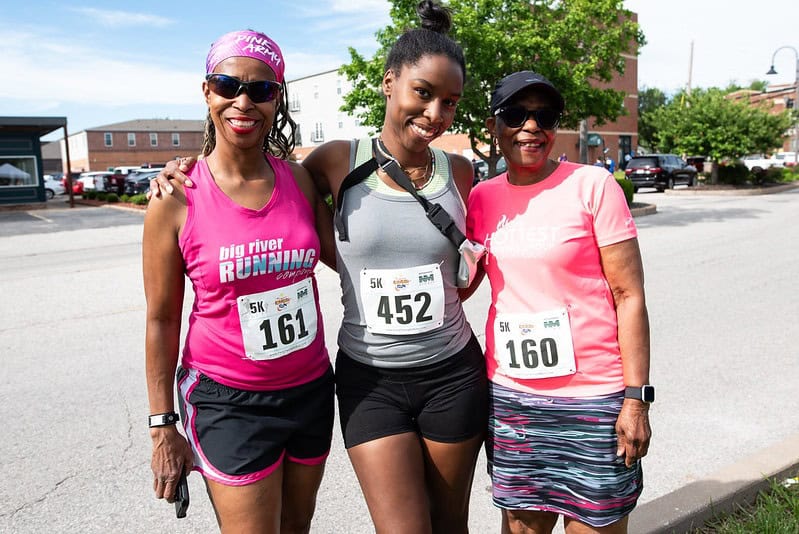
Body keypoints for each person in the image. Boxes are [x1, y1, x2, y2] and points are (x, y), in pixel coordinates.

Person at [149, 3, 488, 533]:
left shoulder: (458, 173)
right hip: (344, 382)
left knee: (443, 524)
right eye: (423, 92)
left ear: (276, 96)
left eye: (450, 102)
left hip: (412, 376)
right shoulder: (327, 164)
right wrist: (181, 165)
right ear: (389, 83)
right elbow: (164, 313)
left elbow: (470, 259)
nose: (435, 112)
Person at [143, 29, 335, 533]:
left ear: (277, 98)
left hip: (311, 391)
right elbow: (161, 320)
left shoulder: (299, 180)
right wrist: (162, 426)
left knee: (297, 527)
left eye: (261, 90)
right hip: (228, 401)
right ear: (207, 92)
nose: (244, 102)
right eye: (228, 86)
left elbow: (351, 255)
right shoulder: (176, 197)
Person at [463, 71, 652, 534]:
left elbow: (629, 296)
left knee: (595, 525)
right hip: (513, 398)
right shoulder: (481, 198)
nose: (531, 126)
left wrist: (636, 399)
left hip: (594, 398)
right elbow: (463, 283)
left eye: (544, 116)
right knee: (522, 526)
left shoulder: (593, 185)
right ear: (493, 126)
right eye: (515, 114)